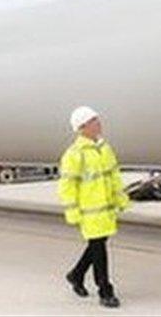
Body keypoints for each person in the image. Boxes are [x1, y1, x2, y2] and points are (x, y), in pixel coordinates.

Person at [57, 106, 129, 308]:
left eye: (98, 119)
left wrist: (120, 198)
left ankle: (76, 274)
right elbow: (67, 185)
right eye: (94, 120)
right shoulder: (75, 154)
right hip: (89, 211)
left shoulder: (105, 149)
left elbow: (113, 175)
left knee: (97, 245)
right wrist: (72, 211)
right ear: (82, 127)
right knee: (99, 249)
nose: (99, 123)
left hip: (105, 209)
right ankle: (105, 290)